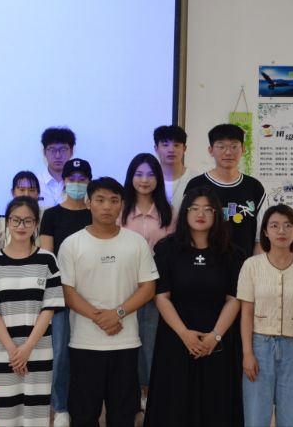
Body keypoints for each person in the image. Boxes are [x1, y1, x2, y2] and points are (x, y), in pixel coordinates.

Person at [58, 177, 158, 427]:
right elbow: (67, 292)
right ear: (88, 203)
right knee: (83, 416)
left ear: (122, 204)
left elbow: (148, 287)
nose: (107, 207)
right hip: (84, 343)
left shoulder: (135, 242)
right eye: (100, 200)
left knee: (123, 416)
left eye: (114, 201)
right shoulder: (72, 244)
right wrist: (101, 318)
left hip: (126, 342)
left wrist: (118, 313)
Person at [143, 187, 245, 427]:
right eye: (195, 208)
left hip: (217, 339)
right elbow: (161, 296)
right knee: (174, 404)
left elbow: (234, 299)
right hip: (176, 337)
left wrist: (215, 336)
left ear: (216, 214)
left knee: (215, 403)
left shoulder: (232, 253)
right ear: (185, 212)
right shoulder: (167, 248)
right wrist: (185, 334)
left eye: (208, 209)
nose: (201, 214)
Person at [0, 196, 64, 427]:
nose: (21, 226)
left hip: (38, 351)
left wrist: (27, 349)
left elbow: (49, 309)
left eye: (28, 221)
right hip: (4, 353)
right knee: (5, 412)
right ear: (7, 222)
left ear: (36, 224)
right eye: (16, 220)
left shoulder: (48, 260)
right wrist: (13, 351)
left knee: (36, 414)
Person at [238, 204, 293, 427]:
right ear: (265, 231)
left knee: (292, 418)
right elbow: (246, 314)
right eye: (274, 226)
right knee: (255, 418)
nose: (281, 231)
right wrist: (247, 353)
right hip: (259, 347)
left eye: (288, 225)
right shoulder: (251, 266)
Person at [37, 158, 92, 427]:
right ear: (64, 182)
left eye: (82, 180)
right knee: (60, 352)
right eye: (72, 179)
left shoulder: (94, 214)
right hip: (60, 292)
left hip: (92, 291)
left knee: (87, 352)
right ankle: (60, 407)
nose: (77, 184)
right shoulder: (51, 215)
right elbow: (48, 256)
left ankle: (84, 404)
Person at [120, 153, 175, 407]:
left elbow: (173, 251)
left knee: (151, 342)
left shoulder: (169, 212)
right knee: (126, 342)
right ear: (131, 177)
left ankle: (149, 393)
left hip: (157, 288)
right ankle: (128, 395)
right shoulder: (120, 209)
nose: (144, 180)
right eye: (139, 174)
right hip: (123, 287)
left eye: (151, 174)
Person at [185, 124, 267, 256]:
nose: (228, 152)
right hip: (204, 263)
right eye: (221, 146)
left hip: (244, 265)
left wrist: (253, 267)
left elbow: (260, 238)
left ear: (243, 149)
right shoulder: (196, 185)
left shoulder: (254, 187)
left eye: (234, 146)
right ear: (211, 150)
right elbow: (185, 230)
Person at [153, 125, 199, 206]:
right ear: (156, 149)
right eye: (165, 145)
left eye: (176, 145)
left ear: (184, 149)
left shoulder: (196, 179)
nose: (171, 150)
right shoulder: (148, 179)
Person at [0, 171, 41, 248]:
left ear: (38, 193)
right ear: (13, 192)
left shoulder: (45, 217)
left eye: (31, 190)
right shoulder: (1, 223)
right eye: (22, 190)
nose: (26, 194)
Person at [36, 127, 77, 208]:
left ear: (71, 151)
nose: (58, 156)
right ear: (44, 152)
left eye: (63, 150)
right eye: (52, 150)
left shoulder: (79, 184)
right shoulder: (35, 183)